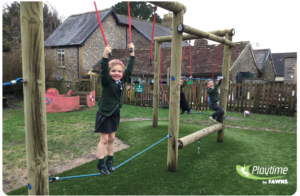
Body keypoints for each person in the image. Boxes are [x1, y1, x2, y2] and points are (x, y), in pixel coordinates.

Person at [94, 43, 135, 175]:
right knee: (104, 140)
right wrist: (105, 55)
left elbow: (130, 67)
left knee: (112, 139)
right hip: (105, 113)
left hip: (115, 113)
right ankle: (100, 163)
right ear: (109, 72)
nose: (116, 74)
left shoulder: (122, 81)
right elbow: (104, 68)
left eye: (119, 71)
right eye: (113, 71)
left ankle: (110, 160)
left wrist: (132, 53)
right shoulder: (106, 81)